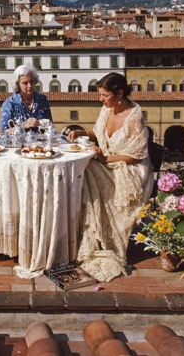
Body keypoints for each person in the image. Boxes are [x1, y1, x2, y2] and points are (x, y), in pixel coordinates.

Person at [67, 72, 153, 282]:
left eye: (105, 95)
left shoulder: (135, 117)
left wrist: (106, 159)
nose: (101, 99)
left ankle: (100, 239)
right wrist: (81, 133)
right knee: (84, 168)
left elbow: (136, 155)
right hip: (108, 160)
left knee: (87, 171)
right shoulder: (107, 109)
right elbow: (99, 133)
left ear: (120, 93)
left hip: (129, 167)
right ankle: (86, 235)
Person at [0, 64, 52, 130]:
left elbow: (50, 125)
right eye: (25, 83)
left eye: (31, 81)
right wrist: (23, 126)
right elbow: (1, 133)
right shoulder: (10, 104)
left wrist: (39, 123)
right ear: (18, 84)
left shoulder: (42, 100)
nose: (29, 86)